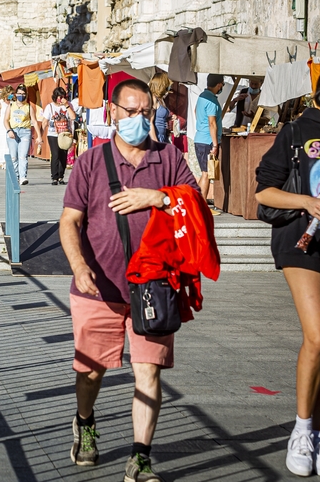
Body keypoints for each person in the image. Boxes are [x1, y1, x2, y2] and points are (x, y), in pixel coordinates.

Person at [60, 79, 200, 482]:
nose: (140, 118)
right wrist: (78, 265)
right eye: (131, 111)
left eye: (146, 111)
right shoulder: (90, 162)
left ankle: (140, 458)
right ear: (114, 113)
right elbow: (70, 220)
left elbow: (194, 206)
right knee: (90, 370)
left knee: (148, 372)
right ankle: (84, 423)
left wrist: (155, 197)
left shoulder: (169, 158)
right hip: (98, 288)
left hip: (155, 286)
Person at [255, 56, 320, 477]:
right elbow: (265, 192)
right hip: (302, 243)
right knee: (318, 335)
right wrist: (306, 201)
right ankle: (302, 429)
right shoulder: (296, 130)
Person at [194, 73, 224, 212]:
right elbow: (212, 123)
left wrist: (201, 125)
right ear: (219, 84)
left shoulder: (201, 96)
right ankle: (203, 206)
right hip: (207, 141)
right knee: (206, 173)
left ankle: (198, 202)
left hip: (199, 138)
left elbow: (195, 111)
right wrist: (215, 144)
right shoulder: (211, 100)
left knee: (203, 173)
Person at [5, 85, 43, 186]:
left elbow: (34, 122)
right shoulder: (11, 105)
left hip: (25, 132)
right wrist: (9, 130)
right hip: (13, 131)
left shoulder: (29, 106)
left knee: (23, 156)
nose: (21, 96)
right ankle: (15, 177)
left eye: (23, 94)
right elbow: (5, 120)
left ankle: (22, 177)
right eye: (19, 94)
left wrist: (39, 136)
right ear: (16, 94)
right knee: (14, 156)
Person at [44, 87, 77, 186]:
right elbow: (44, 120)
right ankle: (54, 177)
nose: (61, 99)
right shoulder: (49, 107)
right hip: (53, 133)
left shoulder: (68, 105)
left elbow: (73, 117)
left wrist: (66, 106)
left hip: (65, 134)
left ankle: (61, 176)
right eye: (59, 97)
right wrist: (41, 134)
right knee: (55, 154)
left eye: (63, 97)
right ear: (55, 97)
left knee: (63, 154)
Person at [148, 73, 172, 144]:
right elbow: (150, 122)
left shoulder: (160, 99)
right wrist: (155, 142)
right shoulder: (153, 98)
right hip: (156, 137)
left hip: (163, 137)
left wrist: (169, 118)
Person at [0, 88, 12, 170]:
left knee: (9, 142)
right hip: (2, 124)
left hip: (10, 124)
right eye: (10, 94)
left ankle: (8, 160)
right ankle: (2, 160)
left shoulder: (13, 103)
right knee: (2, 141)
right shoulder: (0, 103)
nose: (11, 95)